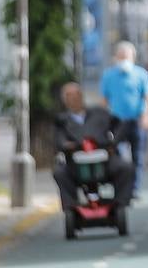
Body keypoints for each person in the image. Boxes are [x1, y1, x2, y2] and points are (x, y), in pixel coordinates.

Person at [53, 82, 133, 210]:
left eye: (77, 94)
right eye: (69, 95)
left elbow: (120, 126)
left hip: (104, 161)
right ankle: (71, 206)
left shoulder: (100, 113)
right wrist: (66, 145)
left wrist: (113, 142)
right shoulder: (62, 120)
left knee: (126, 168)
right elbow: (59, 140)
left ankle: (120, 204)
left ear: (82, 96)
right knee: (60, 172)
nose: (74, 98)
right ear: (64, 100)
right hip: (76, 164)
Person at [100, 43, 148, 196]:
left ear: (133, 58)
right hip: (117, 123)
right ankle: (122, 186)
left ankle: (134, 188)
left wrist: (147, 116)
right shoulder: (108, 75)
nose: (124, 59)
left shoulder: (141, 74)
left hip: (137, 120)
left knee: (138, 156)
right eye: (121, 56)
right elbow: (104, 100)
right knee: (119, 156)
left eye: (127, 56)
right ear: (116, 57)